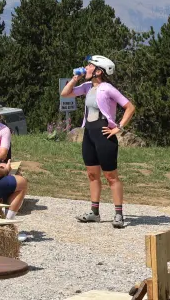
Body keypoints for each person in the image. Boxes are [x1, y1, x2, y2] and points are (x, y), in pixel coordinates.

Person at [61, 54, 136, 229]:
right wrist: (75, 78)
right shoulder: (87, 87)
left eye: (89, 66)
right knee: (92, 175)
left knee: (111, 176)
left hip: (104, 134)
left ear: (98, 71)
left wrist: (119, 127)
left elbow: (129, 107)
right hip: (89, 134)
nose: (86, 68)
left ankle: (118, 214)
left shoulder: (108, 88)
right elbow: (65, 94)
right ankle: (94, 213)